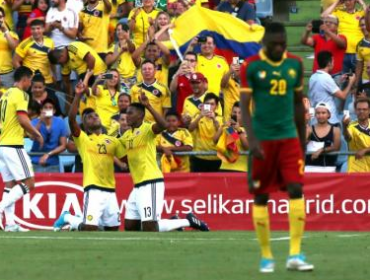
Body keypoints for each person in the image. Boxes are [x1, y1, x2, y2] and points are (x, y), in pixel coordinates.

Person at [240, 22, 314, 273]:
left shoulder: (294, 64)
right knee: (262, 196)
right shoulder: (251, 66)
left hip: (289, 138)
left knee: (296, 188)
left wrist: (302, 142)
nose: (281, 48)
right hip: (263, 139)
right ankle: (266, 255)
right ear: (264, 44)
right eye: (276, 44)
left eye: (283, 43)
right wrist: (252, 140)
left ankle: (295, 253)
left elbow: (297, 105)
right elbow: (245, 107)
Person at [120, 92, 209, 232]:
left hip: (151, 182)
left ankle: (187, 221)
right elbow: (118, 150)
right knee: (131, 227)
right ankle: (175, 222)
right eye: (126, 113)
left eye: (130, 113)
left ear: (140, 116)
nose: (126, 116)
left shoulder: (147, 128)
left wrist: (148, 105)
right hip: (137, 185)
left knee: (150, 227)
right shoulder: (126, 135)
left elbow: (163, 125)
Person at [53, 81, 125, 231]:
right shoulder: (84, 139)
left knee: (113, 230)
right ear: (84, 125)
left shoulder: (112, 141)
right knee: (89, 228)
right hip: (93, 189)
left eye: (95, 115)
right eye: (89, 117)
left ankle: (71, 220)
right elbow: (72, 119)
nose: (94, 117)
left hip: (111, 189)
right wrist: (78, 94)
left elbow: (125, 159)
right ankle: (68, 218)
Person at [0, 66, 44, 232]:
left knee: (10, 184)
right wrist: (36, 133)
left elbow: (10, 121)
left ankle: (10, 224)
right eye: (30, 80)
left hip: (2, 145)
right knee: (29, 183)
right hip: (13, 145)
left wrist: (27, 132)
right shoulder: (21, 94)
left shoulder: (5, 95)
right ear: (25, 79)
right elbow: (22, 118)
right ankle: (1, 208)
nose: (31, 83)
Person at [308, 51, 356, 125]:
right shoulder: (326, 78)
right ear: (329, 63)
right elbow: (343, 96)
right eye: (333, 61)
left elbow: (323, 89)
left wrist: (339, 81)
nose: (333, 63)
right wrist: (351, 82)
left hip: (317, 119)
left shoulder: (313, 77)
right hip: (329, 120)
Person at [322, 0, 366, 74]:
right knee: (341, 80)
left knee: (358, 80)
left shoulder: (361, 13)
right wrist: (337, 2)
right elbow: (324, 16)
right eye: (346, 0)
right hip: (342, 53)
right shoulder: (338, 13)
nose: (348, 2)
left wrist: (362, 3)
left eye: (350, 0)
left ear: (355, 1)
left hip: (357, 53)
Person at [30, 98, 68, 172]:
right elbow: (32, 137)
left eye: (50, 108)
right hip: (36, 161)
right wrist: (40, 121)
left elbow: (63, 146)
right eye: (45, 108)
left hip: (53, 162)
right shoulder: (34, 122)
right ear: (41, 110)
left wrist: (48, 154)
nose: (48, 109)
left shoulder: (60, 122)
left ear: (54, 111)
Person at [13, 19, 55, 86]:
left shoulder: (50, 42)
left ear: (43, 29)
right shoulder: (24, 43)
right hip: (32, 81)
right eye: (33, 29)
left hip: (48, 80)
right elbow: (15, 61)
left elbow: (52, 61)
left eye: (38, 28)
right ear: (30, 30)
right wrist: (25, 77)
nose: (36, 31)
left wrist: (54, 75)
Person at [188, 92, 222, 172]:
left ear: (216, 106)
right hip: (198, 157)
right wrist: (200, 116)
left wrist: (214, 119)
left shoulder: (221, 119)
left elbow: (222, 134)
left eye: (212, 104)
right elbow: (190, 129)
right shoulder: (198, 117)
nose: (210, 106)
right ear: (203, 105)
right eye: (207, 104)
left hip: (215, 158)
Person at [214, 101, 249, 172]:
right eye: (234, 112)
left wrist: (239, 130)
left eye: (240, 113)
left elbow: (247, 147)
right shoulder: (228, 128)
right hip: (224, 168)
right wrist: (223, 126)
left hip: (240, 170)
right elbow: (215, 140)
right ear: (231, 114)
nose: (236, 115)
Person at [305, 102, 341, 171]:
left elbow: (336, 147)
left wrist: (321, 150)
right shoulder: (309, 129)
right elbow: (302, 143)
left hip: (328, 167)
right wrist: (305, 122)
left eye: (323, 113)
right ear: (315, 115)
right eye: (318, 113)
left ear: (329, 114)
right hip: (310, 167)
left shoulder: (335, 130)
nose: (320, 115)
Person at [105, 23, 136, 89]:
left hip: (132, 79)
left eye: (122, 30)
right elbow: (108, 62)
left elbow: (132, 49)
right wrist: (120, 51)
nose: (120, 32)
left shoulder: (132, 43)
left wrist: (127, 38)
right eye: (118, 30)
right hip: (118, 79)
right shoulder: (112, 47)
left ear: (127, 31)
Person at [343, 96, 370, 172]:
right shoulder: (351, 126)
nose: (361, 111)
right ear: (355, 111)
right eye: (359, 109)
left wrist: (365, 150)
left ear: (369, 110)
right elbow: (347, 138)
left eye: (364, 109)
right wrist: (344, 126)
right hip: (355, 170)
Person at [0, 7, 19, 89]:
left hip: (7, 74)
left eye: (0, 16)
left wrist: (6, 31)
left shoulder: (12, 34)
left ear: (4, 17)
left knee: (8, 100)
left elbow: (14, 47)